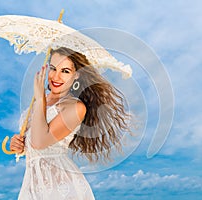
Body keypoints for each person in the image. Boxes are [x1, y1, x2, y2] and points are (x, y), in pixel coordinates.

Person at [10, 47, 131, 200]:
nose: (56, 76)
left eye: (65, 71)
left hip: (60, 189)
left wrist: (40, 98)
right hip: (33, 185)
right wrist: (19, 145)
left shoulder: (75, 107)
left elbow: (39, 142)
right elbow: (33, 143)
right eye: (53, 68)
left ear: (76, 75)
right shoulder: (40, 100)